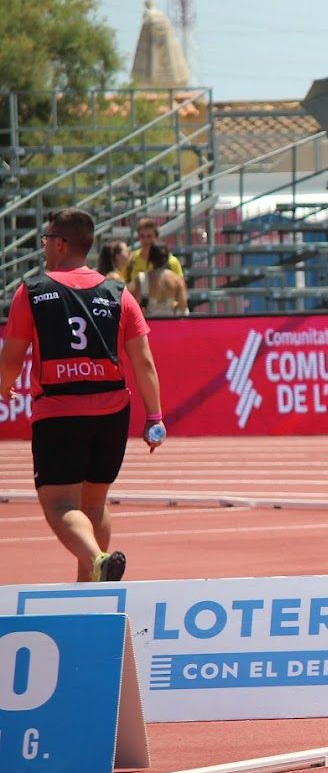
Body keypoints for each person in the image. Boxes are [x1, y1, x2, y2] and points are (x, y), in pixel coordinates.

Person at [0, 208, 165, 582]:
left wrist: (4, 385)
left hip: (60, 410)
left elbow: (12, 355)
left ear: (59, 243)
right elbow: (143, 361)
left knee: (60, 504)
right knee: (94, 501)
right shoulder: (118, 293)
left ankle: (97, 559)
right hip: (111, 412)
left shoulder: (34, 292)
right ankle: (90, 588)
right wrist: (154, 418)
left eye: (45, 240)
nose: (44, 247)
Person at [127, 218, 183, 283]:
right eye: (142, 236)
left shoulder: (170, 262)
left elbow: (180, 288)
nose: (146, 240)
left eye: (149, 236)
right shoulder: (131, 259)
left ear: (156, 237)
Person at [140, 243, 189, 317]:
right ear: (167, 258)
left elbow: (134, 304)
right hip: (169, 322)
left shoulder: (142, 278)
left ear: (150, 258)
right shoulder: (177, 280)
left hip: (149, 322)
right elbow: (183, 308)